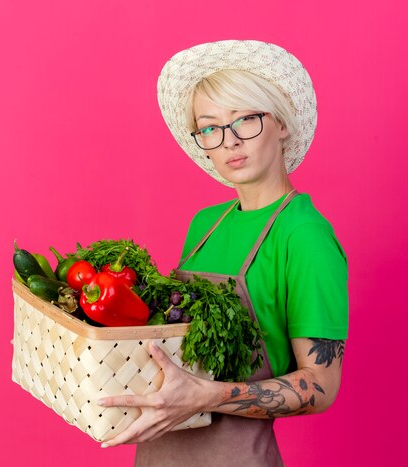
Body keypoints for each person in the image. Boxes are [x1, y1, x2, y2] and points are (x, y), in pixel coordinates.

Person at [97, 40, 348, 466]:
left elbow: (321, 386)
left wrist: (205, 397)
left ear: (281, 123)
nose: (230, 141)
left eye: (245, 119)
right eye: (210, 126)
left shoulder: (303, 235)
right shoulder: (205, 224)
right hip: (158, 454)